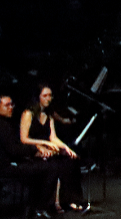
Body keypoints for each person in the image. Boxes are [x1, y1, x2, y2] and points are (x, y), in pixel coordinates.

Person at [0, 94, 67, 217]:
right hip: (6, 167)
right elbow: (13, 150)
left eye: (12, 104)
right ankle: (39, 207)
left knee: (41, 166)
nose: (11, 107)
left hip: (3, 165)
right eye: (7, 105)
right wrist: (35, 150)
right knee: (51, 168)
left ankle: (33, 206)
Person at [19, 84, 88, 213]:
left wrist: (66, 148)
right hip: (32, 150)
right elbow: (24, 138)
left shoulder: (49, 114)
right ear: (38, 97)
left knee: (70, 160)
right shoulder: (28, 113)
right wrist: (43, 143)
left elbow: (53, 137)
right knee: (55, 165)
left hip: (46, 148)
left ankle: (70, 200)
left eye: (50, 95)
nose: (48, 98)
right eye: (45, 95)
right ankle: (50, 203)